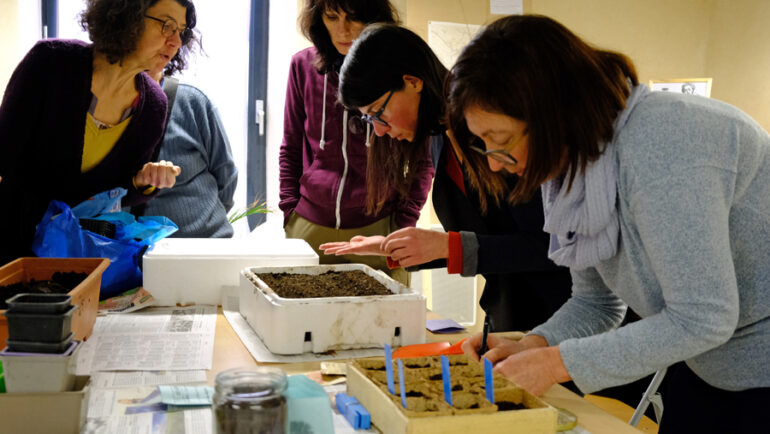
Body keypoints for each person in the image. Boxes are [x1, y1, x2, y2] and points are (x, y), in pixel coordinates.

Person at [447, 15, 769, 433]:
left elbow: (703, 317)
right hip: (709, 363)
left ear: (553, 111)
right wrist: (534, 344)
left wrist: (556, 364)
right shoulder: (569, 164)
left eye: (501, 140)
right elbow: (597, 302)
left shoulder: (664, 146)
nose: (493, 162)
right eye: (482, 143)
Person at [322, 23, 572, 333]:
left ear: (412, 82)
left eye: (378, 112)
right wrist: (400, 247)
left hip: (565, 318)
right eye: (368, 118)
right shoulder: (440, 137)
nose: (379, 130)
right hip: (514, 317)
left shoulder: (493, 131)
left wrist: (446, 246)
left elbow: (552, 246)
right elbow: (485, 238)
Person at [0, 0, 197, 265]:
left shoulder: (154, 105)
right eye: (166, 26)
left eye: (181, 31)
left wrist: (143, 182)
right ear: (129, 16)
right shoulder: (51, 62)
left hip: (81, 258)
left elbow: (119, 194)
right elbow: (6, 155)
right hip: (13, 247)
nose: (175, 42)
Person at [279, 0, 434, 285]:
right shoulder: (302, 66)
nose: (343, 30)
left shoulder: (399, 72)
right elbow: (290, 144)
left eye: (354, 17)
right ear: (318, 19)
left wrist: (403, 222)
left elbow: (425, 158)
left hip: (379, 225)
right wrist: (290, 210)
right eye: (331, 17)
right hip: (309, 225)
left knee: (386, 324)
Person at [138, 46, 238, 238]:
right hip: (135, 250)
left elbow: (226, 173)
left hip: (206, 243)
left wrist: (206, 223)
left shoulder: (192, 100)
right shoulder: (102, 110)